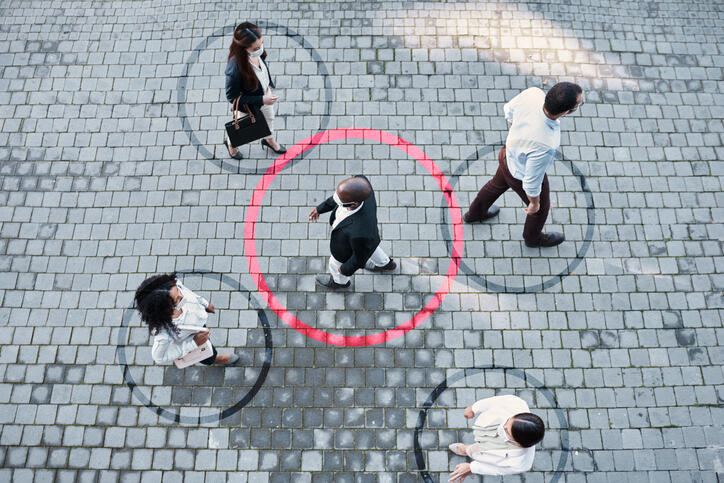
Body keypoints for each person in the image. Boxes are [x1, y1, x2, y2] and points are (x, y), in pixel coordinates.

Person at [465, 82, 583, 248]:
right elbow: (531, 181)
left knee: (496, 184)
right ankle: (533, 238)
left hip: (506, 156)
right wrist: (534, 204)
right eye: (579, 104)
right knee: (541, 210)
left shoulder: (533, 94)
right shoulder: (547, 143)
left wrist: (518, 131)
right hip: (520, 172)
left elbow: (508, 109)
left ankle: (474, 213)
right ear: (565, 112)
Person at [308, 175, 396, 289]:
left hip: (350, 247)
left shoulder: (360, 234)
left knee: (334, 264)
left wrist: (345, 269)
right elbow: (337, 197)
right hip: (370, 239)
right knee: (371, 249)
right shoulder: (362, 183)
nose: (336, 200)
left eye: (340, 201)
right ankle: (386, 264)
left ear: (354, 204)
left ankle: (340, 282)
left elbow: (359, 258)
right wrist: (320, 208)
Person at [134, 273, 239, 366]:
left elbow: (190, 293)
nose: (182, 295)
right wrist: (193, 344)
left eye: (178, 289)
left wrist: (205, 304)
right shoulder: (164, 333)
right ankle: (215, 359)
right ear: (165, 309)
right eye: (177, 299)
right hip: (192, 338)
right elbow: (159, 358)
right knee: (207, 355)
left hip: (199, 325)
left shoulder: (175, 286)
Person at [224, 21, 286, 160]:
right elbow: (231, 97)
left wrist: (268, 85)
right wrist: (261, 99)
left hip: (264, 97)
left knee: (269, 119)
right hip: (248, 106)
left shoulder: (255, 53)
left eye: (261, 43)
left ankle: (268, 140)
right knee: (240, 129)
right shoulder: (234, 69)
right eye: (256, 47)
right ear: (244, 48)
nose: (261, 49)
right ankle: (231, 145)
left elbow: (262, 69)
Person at [447, 394, 545, 481]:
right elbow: (492, 402)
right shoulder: (516, 403)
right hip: (486, 428)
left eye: (507, 432)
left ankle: (466, 450)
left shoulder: (521, 464)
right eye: (507, 421)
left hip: (489, 449)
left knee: (475, 450)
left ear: (518, 443)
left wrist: (472, 467)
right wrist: (474, 408)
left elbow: (497, 470)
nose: (502, 427)